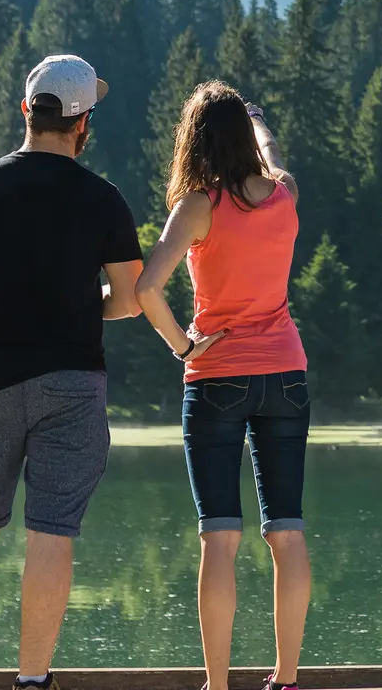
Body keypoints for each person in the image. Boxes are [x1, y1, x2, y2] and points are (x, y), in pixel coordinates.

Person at [0, 54, 172, 690]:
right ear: (83, 124)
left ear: (27, 111)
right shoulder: (104, 200)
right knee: (52, 533)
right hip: (72, 384)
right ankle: (32, 683)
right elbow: (131, 296)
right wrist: (82, 302)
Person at [136, 80, 311, 690]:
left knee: (220, 537)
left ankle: (218, 685)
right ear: (246, 137)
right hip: (286, 373)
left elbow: (145, 290)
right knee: (286, 531)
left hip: (215, 377)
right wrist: (258, 120)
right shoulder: (283, 195)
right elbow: (271, 155)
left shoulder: (197, 205)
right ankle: (286, 679)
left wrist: (183, 345)